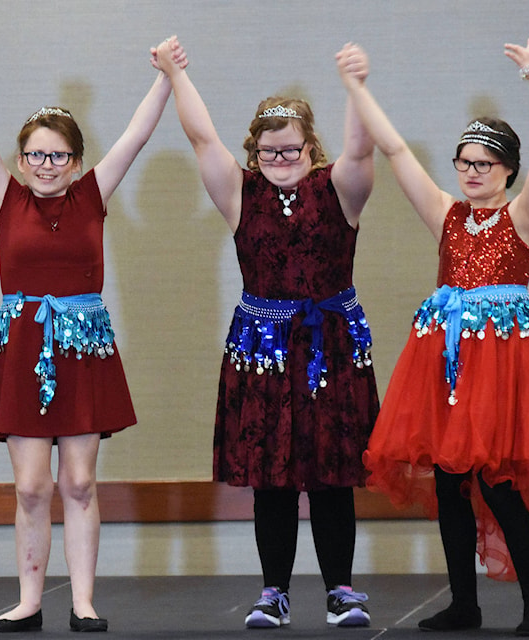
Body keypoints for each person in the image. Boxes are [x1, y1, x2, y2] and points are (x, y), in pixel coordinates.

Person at [0, 29, 186, 633]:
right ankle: (28, 601)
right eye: (37, 156)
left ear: (76, 161)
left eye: (59, 156)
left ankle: (84, 600)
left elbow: (136, 137)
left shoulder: (92, 196)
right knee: (33, 487)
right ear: (22, 162)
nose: (47, 166)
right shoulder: (5, 197)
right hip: (22, 347)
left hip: (81, 347)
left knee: (79, 479)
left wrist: (165, 77)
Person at [337, 40, 529, 636]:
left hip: (500, 365)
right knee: (449, 485)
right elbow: (394, 150)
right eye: (464, 163)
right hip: (445, 363)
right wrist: (356, 88)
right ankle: (464, 605)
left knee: (497, 483)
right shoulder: (446, 214)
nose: (471, 173)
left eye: (484, 165)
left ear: (507, 172)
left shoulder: (521, 216)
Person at [154, 39, 379, 629]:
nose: (279, 158)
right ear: (255, 151)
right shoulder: (240, 194)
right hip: (264, 351)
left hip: (328, 347)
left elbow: (363, 145)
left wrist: (356, 86)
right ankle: (273, 592)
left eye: (290, 149)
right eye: (267, 150)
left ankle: (342, 590)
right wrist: (177, 72)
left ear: (311, 147)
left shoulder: (340, 190)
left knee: (331, 476)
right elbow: (204, 138)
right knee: (272, 479)